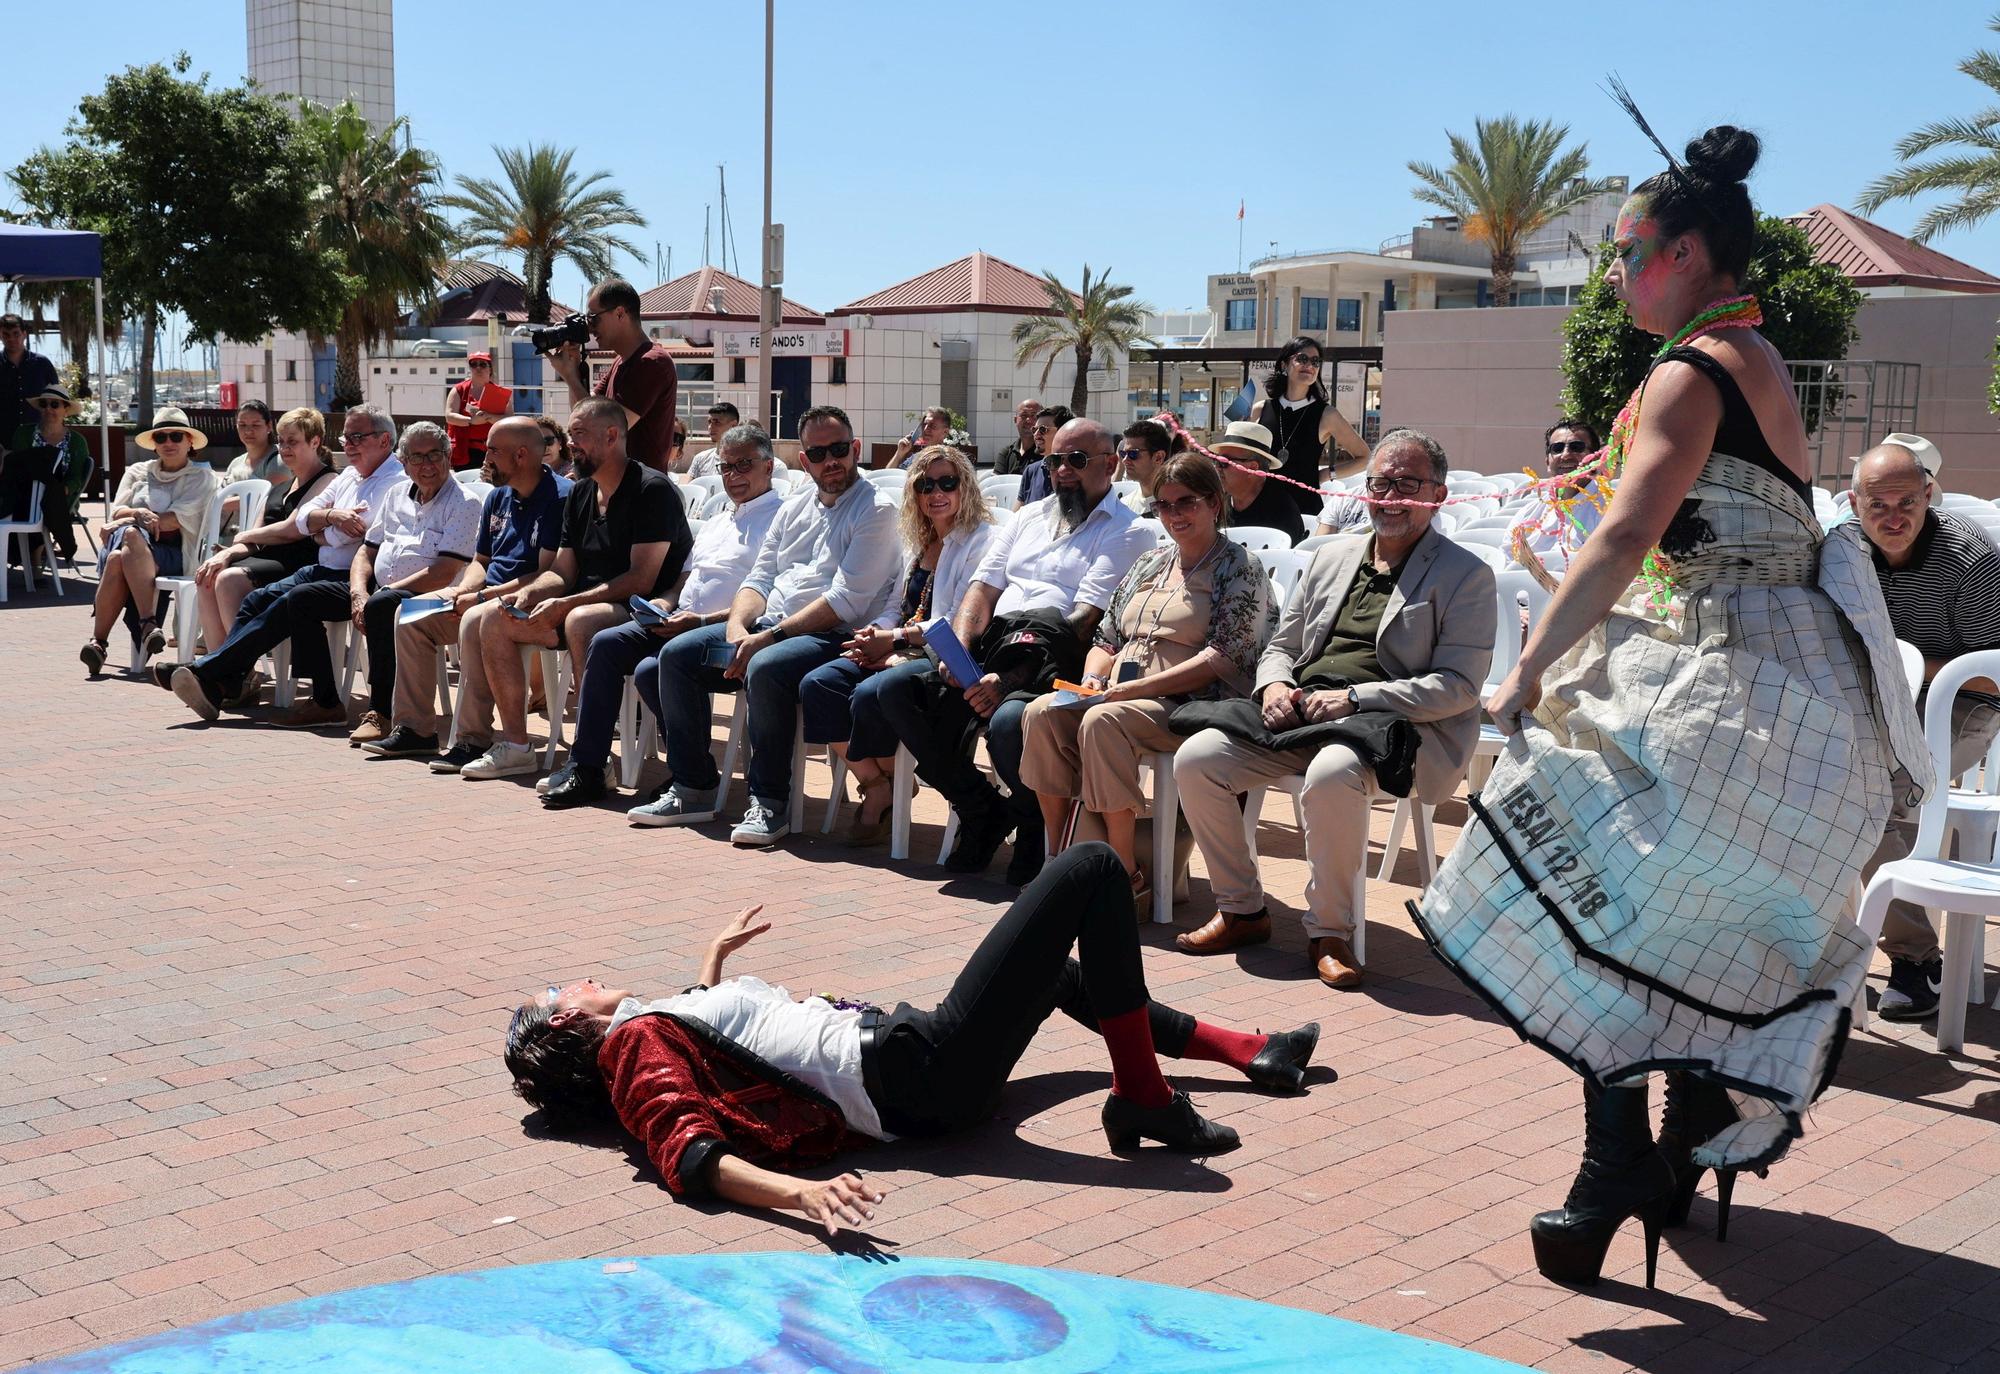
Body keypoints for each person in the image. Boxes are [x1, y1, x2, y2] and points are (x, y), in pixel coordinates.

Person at [1418, 124, 1928, 1289]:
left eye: (1627, 249)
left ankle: (1623, 1165)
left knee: (1577, 876)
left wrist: (1526, 669)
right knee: (1679, 914)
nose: (1612, 272)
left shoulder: (1689, 371)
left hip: (1736, 683)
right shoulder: (1747, 354)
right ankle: (1678, 1144)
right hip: (1788, 699)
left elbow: (1627, 532)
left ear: (1688, 249)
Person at [504, 843, 1322, 1231]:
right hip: (916, 1073)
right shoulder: (630, 1050)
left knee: (1060, 976)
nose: (571, 976)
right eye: (557, 990)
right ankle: (1143, 1099)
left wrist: (713, 961)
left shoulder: (647, 1031)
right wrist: (804, 1198)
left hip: (912, 1066)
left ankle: (1249, 1052)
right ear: (569, 1021)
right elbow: (685, 1147)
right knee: (1092, 872)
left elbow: (714, 1056)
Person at [1174, 430, 1494, 989]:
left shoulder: (1465, 575)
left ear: (1438, 496)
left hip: (1393, 726)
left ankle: (1329, 930)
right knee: (1199, 757)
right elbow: (1281, 647)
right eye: (1379, 482)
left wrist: (1354, 698)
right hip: (1305, 712)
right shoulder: (1332, 557)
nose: (1389, 495)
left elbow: (1459, 686)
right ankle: (1242, 910)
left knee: (1331, 774)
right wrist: (1273, 687)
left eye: (1406, 484)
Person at [866, 417, 1153, 885]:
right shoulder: (1027, 518)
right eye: (1054, 460)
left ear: (1110, 464)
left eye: (1076, 460)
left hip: (1053, 663)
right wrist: (957, 651)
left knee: (1006, 721)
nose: (1062, 470)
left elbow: (1082, 623)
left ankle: (1034, 822)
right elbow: (982, 591)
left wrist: (1009, 676)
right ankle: (981, 808)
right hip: (993, 647)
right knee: (897, 688)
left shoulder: (1128, 531)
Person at [633, 405, 901, 846]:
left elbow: (846, 600)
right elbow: (759, 579)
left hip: (833, 638)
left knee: (768, 666)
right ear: (803, 460)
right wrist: (738, 629)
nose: (830, 460)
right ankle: (694, 786)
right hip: (767, 629)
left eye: (838, 449)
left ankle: (769, 803)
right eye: (818, 453)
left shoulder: (876, 508)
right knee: (677, 656)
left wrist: (765, 639)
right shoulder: (796, 505)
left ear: (855, 449)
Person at [1022, 454, 1277, 895]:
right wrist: (1094, 681)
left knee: (1104, 723)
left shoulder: (1239, 567)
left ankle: (1124, 875)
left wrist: (1136, 688)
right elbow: (1106, 637)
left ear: (1215, 503)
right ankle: (1060, 857)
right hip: (1123, 693)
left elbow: (1224, 657)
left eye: (1186, 502)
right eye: (1164, 505)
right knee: (1043, 711)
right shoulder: (1151, 562)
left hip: (1192, 705)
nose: (1174, 514)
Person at [540, 423, 786, 807]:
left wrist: (701, 621)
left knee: (651, 669)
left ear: (768, 467)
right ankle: (588, 767)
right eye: (725, 467)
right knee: (605, 643)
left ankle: (693, 774)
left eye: (744, 466)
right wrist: (666, 605)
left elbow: (770, 595)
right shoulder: (719, 519)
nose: (732, 476)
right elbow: (685, 579)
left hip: (732, 634)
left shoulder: (781, 520)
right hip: (680, 622)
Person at [1838, 437, 2000, 1021]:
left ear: (1929, 495)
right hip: (1878, 705)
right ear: (1854, 504)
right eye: (1876, 505)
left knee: (1871, 799)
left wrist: (1904, 661)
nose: (1893, 517)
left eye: (1906, 501)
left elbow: (1993, 675)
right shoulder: (1844, 553)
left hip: (1961, 707)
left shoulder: (1972, 558)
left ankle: (1916, 960)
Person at [453, 398, 691, 780]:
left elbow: (640, 580)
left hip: (642, 609)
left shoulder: (651, 489)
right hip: (582, 602)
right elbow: (562, 570)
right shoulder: (581, 493)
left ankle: (590, 760)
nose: (568, 443)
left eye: (579, 434)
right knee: (494, 618)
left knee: (581, 620)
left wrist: (565, 604)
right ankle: (516, 746)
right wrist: (529, 595)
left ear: (612, 436)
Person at [798, 444, 998, 845]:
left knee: (869, 693)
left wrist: (895, 640)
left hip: (939, 651)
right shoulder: (918, 541)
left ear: (966, 487)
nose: (935, 492)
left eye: (947, 482)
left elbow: (958, 617)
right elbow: (895, 604)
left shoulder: (981, 540)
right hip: (899, 642)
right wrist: (874, 636)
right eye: (925, 484)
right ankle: (877, 782)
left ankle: (897, 782)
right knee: (818, 685)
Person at [168, 405, 407, 726]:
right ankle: (226, 680)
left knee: (300, 600)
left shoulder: (395, 482)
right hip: (324, 570)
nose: (348, 444)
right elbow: (307, 518)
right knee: (256, 599)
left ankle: (321, 700)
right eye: (345, 436)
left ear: (385, 440)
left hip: (360, 579)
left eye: (357, 437)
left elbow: (359, 534)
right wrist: (332, 518)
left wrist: (323, 530)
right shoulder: (351, 474)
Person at [368, 416, 573, 764]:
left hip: (528, 603)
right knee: (409, 614)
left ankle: (472, 739)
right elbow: (480, 560)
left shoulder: (560, 497)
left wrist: (479, 598)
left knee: (474, 618)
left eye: (493, 450)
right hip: (484, 594)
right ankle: (415, 730)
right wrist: (463, 590)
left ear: (521, 455)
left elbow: (545, 574)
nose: (486, 457)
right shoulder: (498, 497)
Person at [342, 422, 485, 747]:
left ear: (449, 457)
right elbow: (367, 550)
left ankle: (380, 712)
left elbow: (444, 571)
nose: (427, 465)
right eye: (417, 457)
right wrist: (358, 592)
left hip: (442, 598)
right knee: (306, 597)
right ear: (404, 462)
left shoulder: (463, 502)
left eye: (434, 455)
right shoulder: (396, 495)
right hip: (384, 593)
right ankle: (324, 701)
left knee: (385, 607)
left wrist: (384, 593)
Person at [182, 407, 339, 675]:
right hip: (267, 559)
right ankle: (220, 672)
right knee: (208, 575)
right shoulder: (279, 488)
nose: (285, 448)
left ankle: (236, 672)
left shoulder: (329, 481)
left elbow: (293, 529)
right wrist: (227, 554)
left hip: (301, 562)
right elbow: (254, 539)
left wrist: (242, 538)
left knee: (228, 579)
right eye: (281, 441)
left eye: (293, 441)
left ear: (315, 442)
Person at [81, 408, 220, 677]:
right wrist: (136, 515)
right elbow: (118, 511)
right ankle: (147, 625)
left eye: (176, 436)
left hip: (175, 551)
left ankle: (102, 641)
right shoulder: (137, 471)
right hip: (133, 547)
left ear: (189, 441)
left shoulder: (201, 478)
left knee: (119, 554)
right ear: (154, 443)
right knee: (124, 549)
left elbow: (171, 522)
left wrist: (130, 521)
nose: (168, 443)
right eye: (161, 437)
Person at [546, 278, 679, 473]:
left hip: (641, 491)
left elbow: (602, 428)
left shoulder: (651, 362)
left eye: (594, 318)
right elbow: (582, 410)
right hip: (617, 484)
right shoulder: (622, 361)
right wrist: (570, 371)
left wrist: (571, 377)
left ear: (619, 313)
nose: (590, 328)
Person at [1257, 337, 1368, 515]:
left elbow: (1365, 458)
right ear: (1285, 365)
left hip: (1304, 509)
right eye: (1302, 359)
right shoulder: (1261, 409)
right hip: (1261, 504)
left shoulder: (1326, 415)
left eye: (1316, 361)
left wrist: (1327, 473)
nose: (1309, 365)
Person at [2, 383, 88, 560]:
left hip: (59, 499)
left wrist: (63, 489)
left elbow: (76, 478)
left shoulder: (77, 442)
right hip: (23, 493)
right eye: (44, 404)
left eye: (54, 404)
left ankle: (34, 556)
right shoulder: (24, 433)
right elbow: (17, 468)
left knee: (47, 498)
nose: (49, 409)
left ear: (66, 409)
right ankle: (35, 554)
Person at [1515, 418, 1607, 558]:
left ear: (1594, 459)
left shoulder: (1610, 511)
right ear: (1547, 461)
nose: (1565, 455)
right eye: (1557, 449)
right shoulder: (1529, 513)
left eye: (1576, 447)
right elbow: (1508, 556)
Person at [1211, 421, 1307, 546]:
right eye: (1216, 460)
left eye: (1224, 462)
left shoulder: (1281, 511)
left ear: (1252, 468)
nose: (1217, 468)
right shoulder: (1216, 503)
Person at [219, 400, 288, 533]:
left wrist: (217, 502)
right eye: (242, 425)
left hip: (260, 540)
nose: (248, 431)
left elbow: (264, 496)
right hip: (228, 539)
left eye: (256, 425)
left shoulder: (279, 460)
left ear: (269, 427)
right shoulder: (235, 463)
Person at [444, 352, 511, 471]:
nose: (478, 367)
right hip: (464, 450)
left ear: (490, 368)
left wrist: (488, 417)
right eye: (474, 364)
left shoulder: (500, 393)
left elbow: (509, 419)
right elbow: (449, 416)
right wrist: (471, 421)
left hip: (492, 450)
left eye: (483, 364)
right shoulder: (459, 389)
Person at [0, 313, 59, 437]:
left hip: (38, 439)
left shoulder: (42, 364)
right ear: (0, 336)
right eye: (6, 334)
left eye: (16, 333)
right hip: (4, 441)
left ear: (24, 334)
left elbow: (57, 401)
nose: (11, 338)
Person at [1015, 405, 1074, 506]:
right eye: (1034, 430)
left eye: (1043, 429)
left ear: (1062, 433)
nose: (1036, 434)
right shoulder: (1031, 471)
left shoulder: (1074, 471)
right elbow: (1016, 514)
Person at [1114, 419, 1172, 514]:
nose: (1125, 460)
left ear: (1158, 457)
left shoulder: (1178, 505)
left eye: (1133, 454)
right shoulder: (1124, 505)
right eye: (1123, 453)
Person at [682, 402, 741, 479]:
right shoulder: (700, 459)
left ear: (733, 425)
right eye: (709, 422)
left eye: (717, 422)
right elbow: (690, 488)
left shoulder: (743, 462)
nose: (710, 427)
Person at [882, 406, 952, 470]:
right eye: (924, 424)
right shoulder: (915, 458)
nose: (925, 429)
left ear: (945, 432)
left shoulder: (951, 460)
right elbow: (888, 477)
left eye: (932, 426)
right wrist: (899, 454)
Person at [991, 398, 1042, 476]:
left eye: (1034, 415)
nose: (1028, 420)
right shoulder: (1006, 453)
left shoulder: (1045, 453)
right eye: (1024, 415)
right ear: (1015, 420)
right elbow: (997, 483)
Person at [535, 414, 575, 480]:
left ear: (560, 443)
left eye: (548, 440)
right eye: (537, 443)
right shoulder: (528, 477)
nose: (544, 448)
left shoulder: (576, 472)